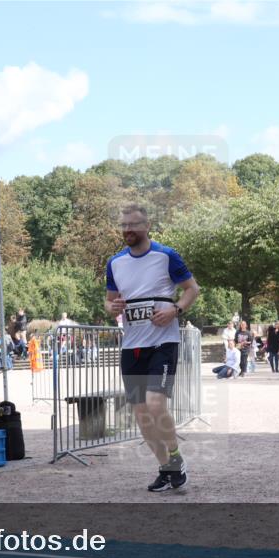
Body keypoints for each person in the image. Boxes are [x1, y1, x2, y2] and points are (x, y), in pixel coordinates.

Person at [105, 203, 200, 493]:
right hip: (132, 346)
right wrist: (113, 307)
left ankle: (175, 456)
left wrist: (176, 310)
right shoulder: (115, 263)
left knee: (156, 404)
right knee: (141, 414)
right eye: (123, 225)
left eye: (133, 225)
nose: (127, 230)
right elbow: (108, 302)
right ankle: (165, 467)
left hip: (163, 341)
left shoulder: (166, 255)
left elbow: (192, 289)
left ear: (147, 226)